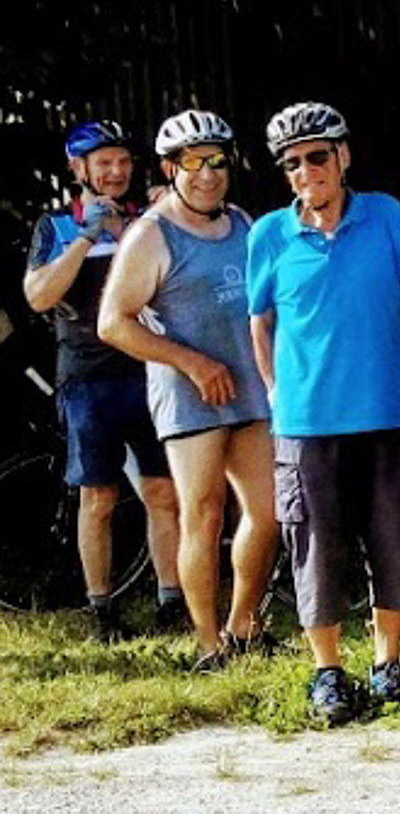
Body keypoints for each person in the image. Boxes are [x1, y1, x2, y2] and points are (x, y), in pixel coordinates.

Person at [248, 102, 400, 724]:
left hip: (386, 412)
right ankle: (328, 673)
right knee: (315, 547)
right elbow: (260, 319)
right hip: (306, 424)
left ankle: (388, 666)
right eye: (294, 164)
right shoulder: (268, 235)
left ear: (344, 157)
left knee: (395, 542)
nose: (307, 172)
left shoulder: (386, 216)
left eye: (318, 157)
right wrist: (274, 389)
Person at [97, 111, 279, 670]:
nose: (208, 174)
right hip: (189, 397)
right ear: (171, 168)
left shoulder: (244, 223)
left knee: (269, 513)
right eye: (194, 162)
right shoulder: (151, 234)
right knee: (203, 512)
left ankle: (243, 625)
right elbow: (113, 322)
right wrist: (190, 362)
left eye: (218, 161)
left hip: (251, 389)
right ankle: (207, 643)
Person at [22, 119, 182, 640]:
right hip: (88, 378)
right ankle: (101, 610)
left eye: (123, 162)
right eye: (103, 163)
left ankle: (171, 601)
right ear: (78, 170)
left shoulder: (149, 220)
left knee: (163, 491)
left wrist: (170, 210)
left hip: (148, 369)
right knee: (99, 497)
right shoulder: (56, 225)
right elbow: (39, 297)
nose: (116, 173)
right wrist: (86, 236)